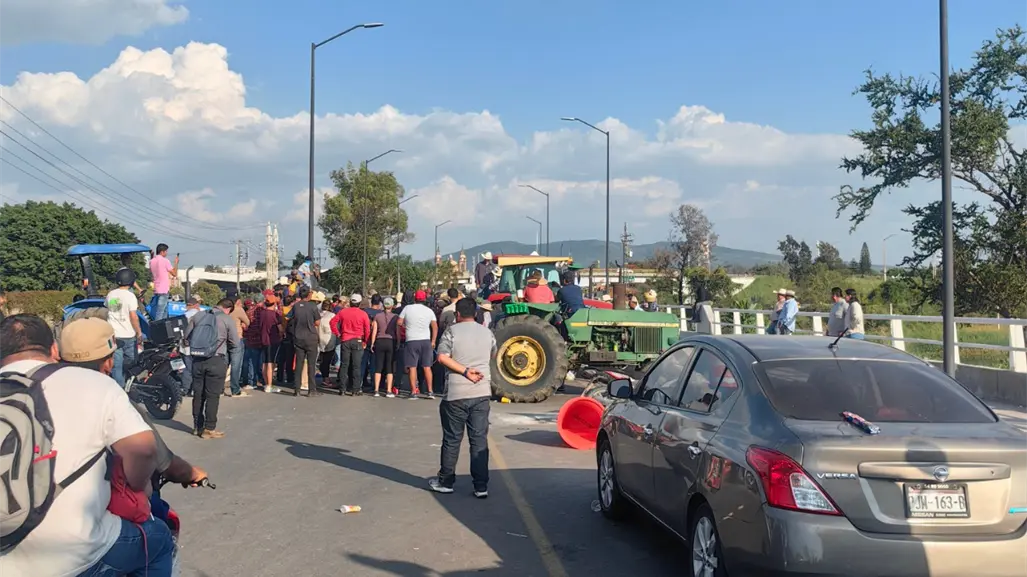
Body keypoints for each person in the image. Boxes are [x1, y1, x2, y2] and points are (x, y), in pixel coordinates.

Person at [0, 315, 172, 577]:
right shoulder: (95, 383)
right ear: (54, 350)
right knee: (158, 539)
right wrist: (138, 486)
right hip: (77, 552)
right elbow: (143, 449)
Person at [429, 298, 496, 498]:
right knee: (479, 440)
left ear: (457, 314)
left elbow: (442, 357)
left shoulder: (452, 332)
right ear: (475, 313)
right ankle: (481, 486)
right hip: (482, 392)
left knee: (452, 439)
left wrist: (465, 371)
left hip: (456, 394)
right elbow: (493, 354)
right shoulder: (488, 333)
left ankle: (446, 481)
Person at [187, 298, 239, 438]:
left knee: (198, 394)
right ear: (228, 308)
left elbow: (187, 336)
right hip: (216, 360)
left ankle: (197, 426)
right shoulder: (226, 319)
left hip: (197, 360)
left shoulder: (198, 316)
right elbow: (235, 342)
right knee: (212, 395)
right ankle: (209, 428)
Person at [106, 268, 143, 388]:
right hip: (128, 335)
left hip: (114, 335)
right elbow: (133, 317)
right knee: (132, 360)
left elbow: (108, 310)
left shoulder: (110, 294)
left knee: (116, 365)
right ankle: (123, 385)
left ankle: (118, 385)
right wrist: (139, 333)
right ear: (131, 281)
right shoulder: (130, 296)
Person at [398, 290, 438, 399]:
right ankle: (430, 391)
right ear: (425, 299)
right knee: (427, 367)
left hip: (411, 340)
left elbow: (399, 322)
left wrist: (406, 326)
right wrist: (433, 341)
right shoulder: (429, 311)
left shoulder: (407, 308)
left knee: (412, 367)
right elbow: (435, 326)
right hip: (425, 340)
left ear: (415, 298)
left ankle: (413, 392)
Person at [331, 294, 371, 396]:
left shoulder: (343, 312)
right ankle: (355, 389)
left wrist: (338, 334)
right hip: (357, 340)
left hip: (345, 340)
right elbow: (367, 329)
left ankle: (342, 388)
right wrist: (365, 341)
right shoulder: (363, 314)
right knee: (356, 366)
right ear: (359, 303)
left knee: (344, 365)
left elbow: (332, 322)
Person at [289, 285, 322, 398]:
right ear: (309, 294)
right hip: (311, 338)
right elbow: (317, 322)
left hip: (298, 337)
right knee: (311, 365)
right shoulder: (313, 306)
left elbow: (289, 318)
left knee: (299, 364)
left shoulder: (296, 306)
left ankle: (297, 389)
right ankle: (311, 390)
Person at [370, 296, 399, 397]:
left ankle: (376, 390)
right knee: (389, 367)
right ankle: (388, 390)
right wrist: (398, 342)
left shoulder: (377, 316)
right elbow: (398, 332)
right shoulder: (396, 317)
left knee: (378, 366)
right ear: (392, 306)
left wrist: (372, 343)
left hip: (379, 341)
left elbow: (374, 331)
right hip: (391, 341)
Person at [256, 290, 283, 394]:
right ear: (274, 303)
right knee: (271, 363)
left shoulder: (261, 313)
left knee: (265, 362)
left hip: (263, 339)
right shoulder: (275, 315)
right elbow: (280, 329)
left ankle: (266, 383)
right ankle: (269, 385)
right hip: (273, 340)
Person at [225, 290, 251, 398]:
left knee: (224, 364)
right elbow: (248, 322)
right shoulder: (238, 310)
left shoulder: (223, 309)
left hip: (224, 339)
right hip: (237, 339)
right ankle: (235, 390)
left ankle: (220, 389)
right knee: (236, 366)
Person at [148, 243, 179, 321]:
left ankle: (164, 326)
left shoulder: (152, 261)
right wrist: (176, 263)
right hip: (164, 289)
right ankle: (158, 328)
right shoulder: (165, 261)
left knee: (164, 310)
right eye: (166, 251)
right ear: (162, 252)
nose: (166, 253)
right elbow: (174, 274)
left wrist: (152, 255)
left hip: (156, 289)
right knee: (160, 312)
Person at [361, 294, 383, 391]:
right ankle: (375, 385)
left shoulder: (365, 312)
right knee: (375, 364)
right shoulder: (381, 314)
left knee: (362, 363)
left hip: (365, 339)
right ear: (379, 303)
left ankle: (360, 383)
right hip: (377, 341)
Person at [317, 299, 338, 387]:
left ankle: (324, 377)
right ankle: (326, 379)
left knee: (322, 360)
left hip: (319, 339)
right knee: (327, 361)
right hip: (329, 339)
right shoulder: (332, 315)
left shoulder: (318, 314)